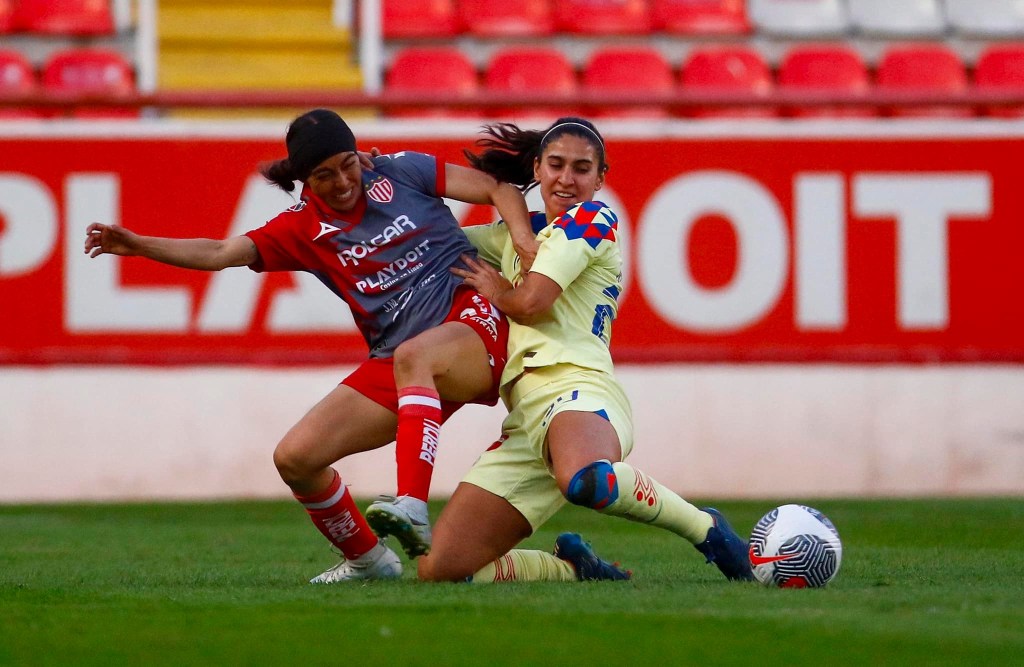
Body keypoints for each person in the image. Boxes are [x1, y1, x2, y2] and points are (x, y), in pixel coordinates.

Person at [83, 108, 537, 583]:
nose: (343, 180)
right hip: (402, 360)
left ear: (359, 153)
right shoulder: (301, 228)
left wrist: (523, 242)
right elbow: (220, 253)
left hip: (470, 321)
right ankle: (367, 560)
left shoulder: (401, 169)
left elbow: (496, 187)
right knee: (296, 457)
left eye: (348, 164)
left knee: (414, 356)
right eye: (325, 174)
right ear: (304, 181)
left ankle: (413, 508)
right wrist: (138, 245)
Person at [405, 117, 754, 583]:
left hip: (578, 389)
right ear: (537, 168)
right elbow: (430, 248)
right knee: (439, 570)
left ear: (600, 179)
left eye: (582, 168)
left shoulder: (594, 220)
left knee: (587, 480)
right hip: (525, 419)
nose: (566, 179)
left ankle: (707, 529)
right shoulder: (514, 234)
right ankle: (572, 568)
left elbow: (530, 303)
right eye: (556, 165)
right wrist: (384, 186)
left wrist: (495, 289)